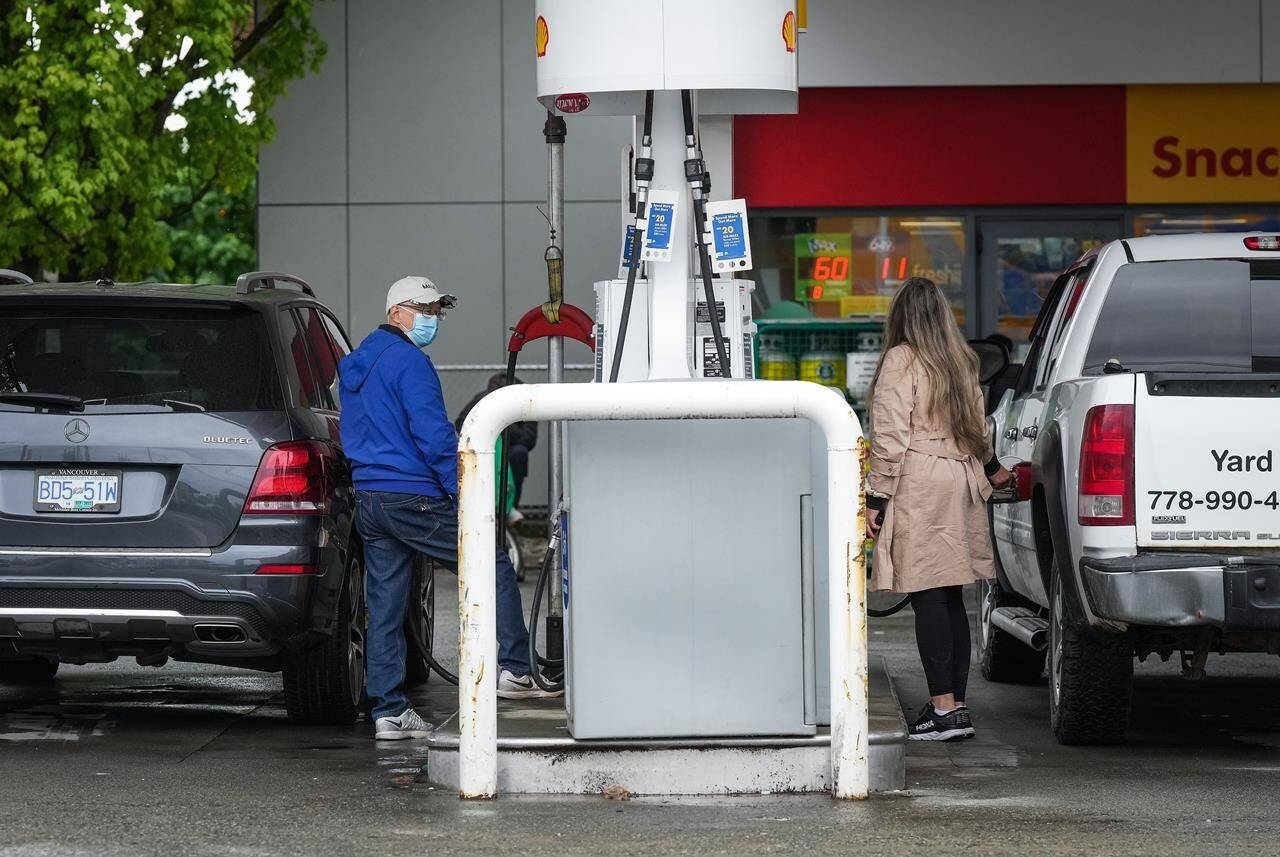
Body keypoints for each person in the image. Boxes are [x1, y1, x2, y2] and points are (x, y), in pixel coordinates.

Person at [338, 275, 547, 742]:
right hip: (414, 496)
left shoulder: (355, 365)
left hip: (371, 498)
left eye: (436, 311)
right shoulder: (409, 363)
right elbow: (434, 436)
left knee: (386, 605)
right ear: (397, 313)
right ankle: (515, 669)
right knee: (490, 562)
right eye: (424, 309)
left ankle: (389, 710)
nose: (432, 318)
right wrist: (465, 493)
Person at [865, 277, 1012, 742]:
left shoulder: (901, 359)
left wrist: (875, 497)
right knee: (951, 597)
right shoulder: (960, 361)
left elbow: (890, 435)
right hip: (960, 478)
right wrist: (993, 468)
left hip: (920, 482)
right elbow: (977, 430)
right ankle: (957, 707)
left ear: (901, 316)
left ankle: (943, 712)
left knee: (927, 592)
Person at [456, 374, 538, 508]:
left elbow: (529, 439)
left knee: (519, 453)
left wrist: (502, 421)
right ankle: (476, 506)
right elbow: (461, 423)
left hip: (510, 450)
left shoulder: (524, 403)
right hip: (483, 448)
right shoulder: (482, 399)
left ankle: (509, 507)